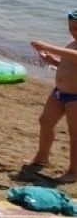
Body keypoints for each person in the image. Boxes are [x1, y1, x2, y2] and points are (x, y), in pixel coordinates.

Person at [24, 10, 77, 183]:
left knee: (74, 134)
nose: (74, 32)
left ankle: (74, 171)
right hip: (60, 92)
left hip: (75, 97)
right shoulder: (71, 44)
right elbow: (67, 63)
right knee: (45, 121)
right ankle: (42, 157)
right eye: (71, 28)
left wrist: (47, 46)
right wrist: (51, 60)